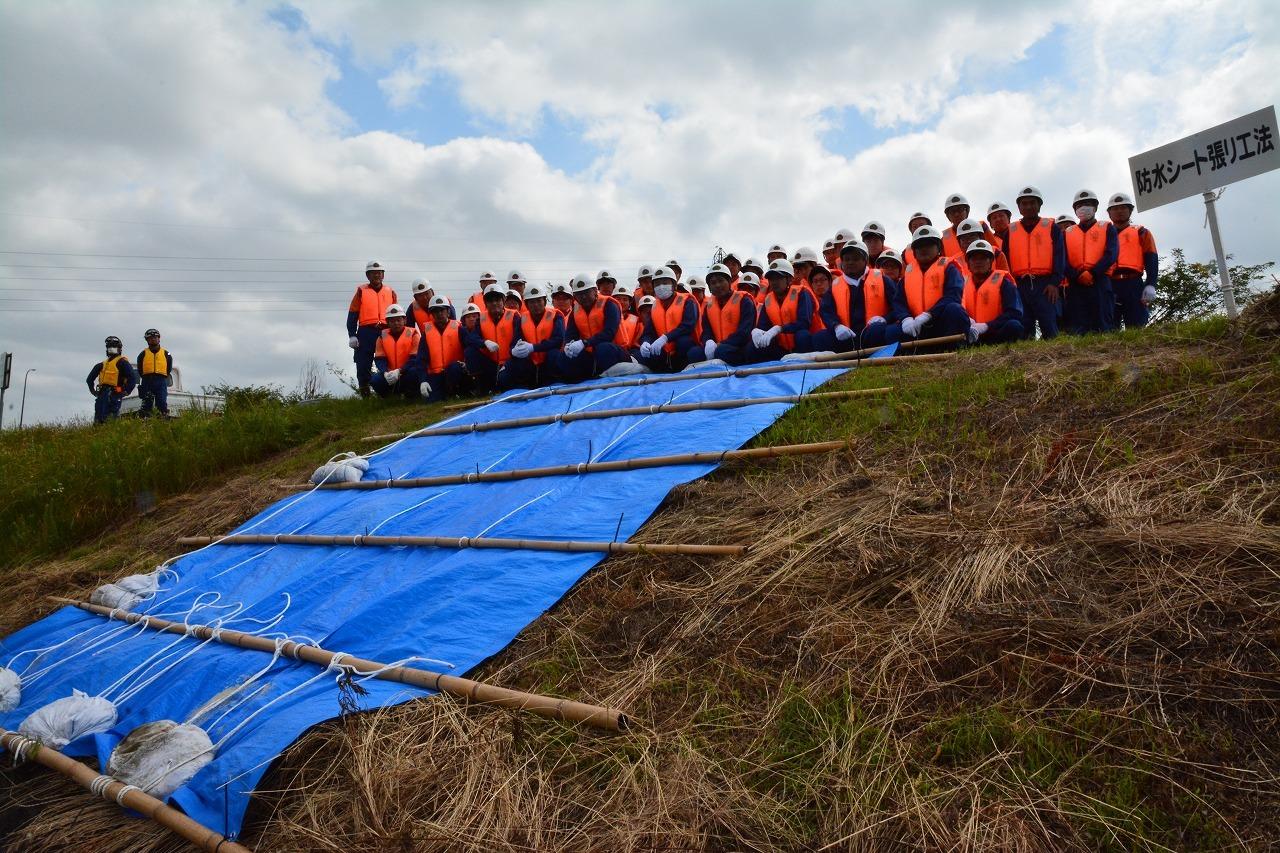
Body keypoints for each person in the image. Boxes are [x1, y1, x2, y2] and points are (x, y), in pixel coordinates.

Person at [1005, 185, 1065, 340]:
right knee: (1024, 326)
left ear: (1039, 205)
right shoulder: (1010, 230)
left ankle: (1055, 359)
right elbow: (1004, 260)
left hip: (1045, 284)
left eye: (1032, 202)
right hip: (1020, 284)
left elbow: (1060, 257)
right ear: (1019, 207)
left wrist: (1054, 283)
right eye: (1024, 203)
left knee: (1049, 326)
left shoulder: (1052, 227)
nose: (1028, 206)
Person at [900, 225, 970, 341]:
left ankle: (954, 345)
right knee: (890, 332)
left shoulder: (949, 267)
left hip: (941, 321)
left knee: (955, 310)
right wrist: (905, 318)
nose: (924, 249)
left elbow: (954, 295)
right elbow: (899, 301)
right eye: (919, 246)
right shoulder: (908, 273)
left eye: (929, 245)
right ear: (914, 251)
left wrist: (929, 314)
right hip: (917, 325)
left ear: (938, 248)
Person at [1064, 189, 1119, 334]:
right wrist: (1076, 276)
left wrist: (1093, 273)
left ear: (1095, 207)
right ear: (1075, 210)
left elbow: (1111, 254)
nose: (1083, 208)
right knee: (1078, 327)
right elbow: (1062, 259)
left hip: (1100, 281)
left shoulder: (1107, 227)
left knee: (1103, 324)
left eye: (1087, 204)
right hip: (1076, 282)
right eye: (1079, 205)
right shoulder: (1067, 232)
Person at [836, 240, 908, 350]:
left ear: (865, 260)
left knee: (879, 330)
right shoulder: (835, 286)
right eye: (847, 259)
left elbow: (898, 306)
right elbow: (827, 311)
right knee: (821, 337)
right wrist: (836, 326)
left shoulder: (884, 280)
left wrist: (884, 319)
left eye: (855, 259)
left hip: (875, 333)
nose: (850, 262)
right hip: (847, 335)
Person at [556, 273, 628, 381]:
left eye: (586, 292)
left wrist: (584, 343)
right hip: (590, 353)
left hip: (615, 351)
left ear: (595, 291)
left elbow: (609, 333)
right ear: (575, 296)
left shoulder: (609, 304)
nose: (583, 297)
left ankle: (606, 380)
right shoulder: (575, 311)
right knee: (563, 356)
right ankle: (578, 381)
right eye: (579, 294)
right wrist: (568, 346)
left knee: (603, 348)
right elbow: (570, 334)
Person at [1105, 192, 1159, 329]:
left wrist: (1151, 284)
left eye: (1123, 208)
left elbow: (1151, 258)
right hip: (1110, 284)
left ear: (1130, 210)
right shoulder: (1102, 235)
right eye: (1115, 208)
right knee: (1108, 327)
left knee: (1137, 326)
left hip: (1133, 283)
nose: (1119, 211)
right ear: (1109, 213)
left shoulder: (1142, 233)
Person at [751, 258, 822, 360]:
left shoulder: (802, 293)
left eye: (778, 278)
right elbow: (763, 325)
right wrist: (757, 331)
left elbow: (804, 322)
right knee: (754, 345)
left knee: (802, 335)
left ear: (789, 279)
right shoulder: (768, 299)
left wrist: (779, 328)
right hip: (782, 348)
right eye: (771, 279)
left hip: (807, 343)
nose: (774, 282)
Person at [346, 261, 398, 397]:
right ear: (368, 275)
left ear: (383, 276)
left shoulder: (390, 292)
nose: (377, 276)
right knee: (363, 364)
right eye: (373, 273)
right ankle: (366, 395)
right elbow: (353, 313)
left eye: (380, 273)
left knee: (391, 361)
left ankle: (393, 392)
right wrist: (352, 334)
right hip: (366, 332)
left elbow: (397, 313)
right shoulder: (361, 291)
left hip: (386, 331)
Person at [500, 284, 564, 390]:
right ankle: (523, 386)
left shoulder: (556, 316)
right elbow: (513, 344)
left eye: (539, 301)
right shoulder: (522, 319)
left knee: (554, 354)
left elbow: (558, 340)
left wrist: (533, 347)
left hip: (549, 361)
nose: (536, 305)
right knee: (505, 374)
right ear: (527, 304)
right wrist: (514, 351)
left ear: (544, 301)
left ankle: (554, 381)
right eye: (532, 302)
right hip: (531, 363)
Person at [690, 262, 756, 365]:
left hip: (739, 347)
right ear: (710, 287)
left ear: (729, 282)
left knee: (722, 352)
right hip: (718, 347)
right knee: (694, 353)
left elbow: (744, 332)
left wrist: (720, 345)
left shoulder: (744, 300)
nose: (717, 285)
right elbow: (706, 331)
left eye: (721, 281)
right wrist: (708, 342)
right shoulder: (709, 307)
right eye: (713, 283)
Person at [638, 266, 700, 372]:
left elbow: (688, 326)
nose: (661, 286)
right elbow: (648, 332)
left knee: (683, 342)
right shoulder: (654, 306)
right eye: (657, 284)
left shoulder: (688, 301)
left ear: (674, 285)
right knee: (647, 352)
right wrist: (645, 342)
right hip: (665, 350)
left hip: (686, 347)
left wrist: (665, 338)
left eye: (665, 282)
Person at [962, 241, 1024, 344]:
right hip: (971, 334)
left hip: (995, 331)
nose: (978, 262)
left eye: (983, 258)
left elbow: (1014, 313)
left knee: (1014, 325)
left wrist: (986, 326)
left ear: (991, 262)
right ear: (968, 264)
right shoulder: (963, 283)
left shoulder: (1004, 282)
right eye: (974, 258)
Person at [463, 284, 517, 393]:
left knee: (504, 382)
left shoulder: (514, 316)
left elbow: (519, 338)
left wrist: (510, 360)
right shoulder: (481, 318)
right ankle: (480, 387)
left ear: (503, 300)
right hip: (491, 363)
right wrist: (484, 342)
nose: (494, 303)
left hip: (510, 361)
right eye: (490, 301)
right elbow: (471, 338)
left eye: (497, 300)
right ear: (485, 303)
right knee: (470, 351)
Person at [370, 305, 427, 399]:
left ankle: (411, 396)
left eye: (398, 320)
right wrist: (385, 372)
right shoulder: (381, 337)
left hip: (406, 372)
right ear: (387, 322)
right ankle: (390, 398)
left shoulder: (413, 334)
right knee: (375, 380)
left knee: (415, 372)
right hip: (390, 374)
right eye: (392, 321)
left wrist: (400, 371)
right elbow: (379, 359)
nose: (396, 323)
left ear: (404, 320)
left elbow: (415, 358)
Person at [420, 295, 469, 402]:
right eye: (436, 311)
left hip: (455, 370)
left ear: (448, 311)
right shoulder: (426, 334)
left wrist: (467, 363)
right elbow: (421, 359)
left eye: (442, 310)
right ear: (431, 314)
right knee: (430, 401)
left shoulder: (459, 329)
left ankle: (456, 391)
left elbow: (470, 347)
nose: (439, 314)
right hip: (435, 375)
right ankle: (446, 393)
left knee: (455, 369)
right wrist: (423, 380)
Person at [86, 335, 137, 424]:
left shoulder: (122, 363)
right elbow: (89, 379)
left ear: (119, 349)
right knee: (99, 419)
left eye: (113, 347)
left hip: (114, 394)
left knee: (110, 419)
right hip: (102, 394)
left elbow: (132, 378)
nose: (111, 349)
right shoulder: (102, 365)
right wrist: (93, 391)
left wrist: (125, 390)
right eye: (110, 347)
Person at [136, 328, 172, 418]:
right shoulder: (142, 354)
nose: (153, 339)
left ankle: (162, 422)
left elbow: (169, 368)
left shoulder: (166, 354)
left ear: (159, 338)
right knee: (146, 404)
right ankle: (146, 423)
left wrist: (161, 376)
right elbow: (140, 369)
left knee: (162, 402)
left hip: (161, 381)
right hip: (147, 381)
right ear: (147, 340)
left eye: (155, 337)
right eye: (150, 338)